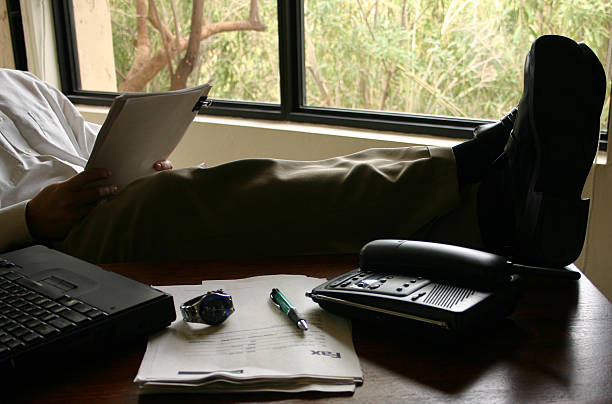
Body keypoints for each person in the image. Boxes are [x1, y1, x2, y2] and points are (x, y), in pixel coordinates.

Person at [0, 35, 606, 266]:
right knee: (222, 196)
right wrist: (31, 216)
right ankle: (481, 174)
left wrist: (129, 171)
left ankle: (493, 211)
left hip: (89, 210)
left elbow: (87, 158)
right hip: (45, 241)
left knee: (281, 175)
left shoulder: (22, 85)